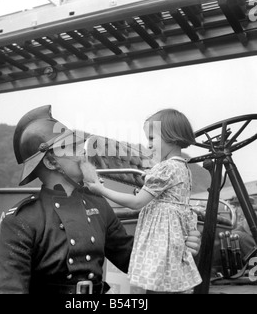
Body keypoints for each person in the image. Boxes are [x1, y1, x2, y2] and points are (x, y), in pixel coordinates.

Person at [0, 105, 201, 294]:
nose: (83, 154)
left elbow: (133, 259)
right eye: (73, 148)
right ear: (51, 161)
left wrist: (178, 248)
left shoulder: (97, 205)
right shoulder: (22, 220)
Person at [84, 109, 202, 294]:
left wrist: (101, 190)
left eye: (152, 139)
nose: (148, 145)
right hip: (174, 236)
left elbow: (136, 203)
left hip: (162, 238)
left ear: (171, 137)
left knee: (156, 281)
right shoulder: (182, 167)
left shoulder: (166, 168)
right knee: (170, 280)